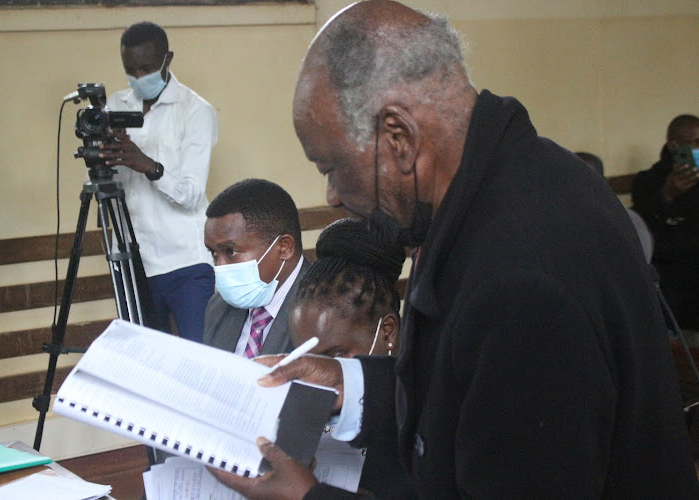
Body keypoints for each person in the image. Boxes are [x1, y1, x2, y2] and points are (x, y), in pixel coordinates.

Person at [209, 1, 699, 498]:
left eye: (330, 168)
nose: (333, 196)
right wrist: (346, 383)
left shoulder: (518, 277)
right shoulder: (514, 181)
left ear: (398, 137)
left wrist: (307, 497)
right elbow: (467, 388)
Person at [98, 21, 217, 343]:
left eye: (146, 68)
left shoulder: (195, 111)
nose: (138, 78)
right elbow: (99, 187)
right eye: (130, 69)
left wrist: (146, 164)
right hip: (132, 262)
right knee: (149, 365)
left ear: (168, 59)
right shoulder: (115, 109)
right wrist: (104, 158)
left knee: (200, 358)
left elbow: (191, 195)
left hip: (186, 263)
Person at [289, 218, 415, 499]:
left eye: (335, 355)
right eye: (305, 360)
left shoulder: (420, 421)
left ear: (388, 332)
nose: (317, 375)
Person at [203, 178, 308, 357]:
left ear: (284, 247)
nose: (219, 267)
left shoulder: (325, 311)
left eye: (230, 251)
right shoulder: (218, 308)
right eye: (214, 254)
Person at [632, 114, 699, 329]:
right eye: (695, 143)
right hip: (669, 277)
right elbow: (643, 229)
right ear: (674, 146)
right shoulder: (646, 181)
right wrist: (667, 195)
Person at [575, 151, 654, 261]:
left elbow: (639, 267)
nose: (577, 188)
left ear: (603, 183)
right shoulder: (557, 219)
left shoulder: (629, 222)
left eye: (586, 181)